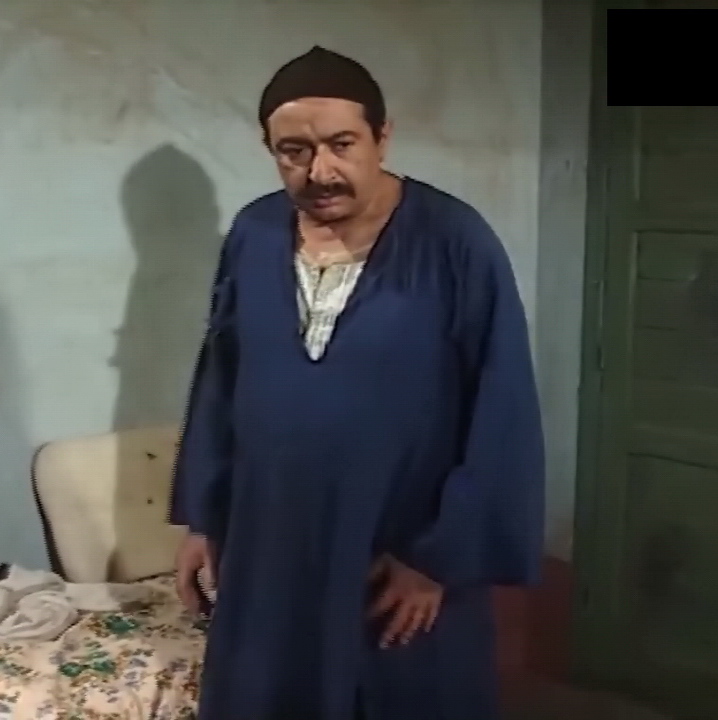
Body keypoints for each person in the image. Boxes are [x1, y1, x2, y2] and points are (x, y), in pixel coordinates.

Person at [168, 46, 545, 720]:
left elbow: (502, 408)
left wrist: (439, 559)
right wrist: (204, 517)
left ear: (382, 137)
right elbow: (220, 381)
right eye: (294, 152)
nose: (321, 171)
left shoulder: (455, 241)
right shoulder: (254, 233)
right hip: (268, 544)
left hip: (397, 556)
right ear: (269, 149)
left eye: (342, 144)